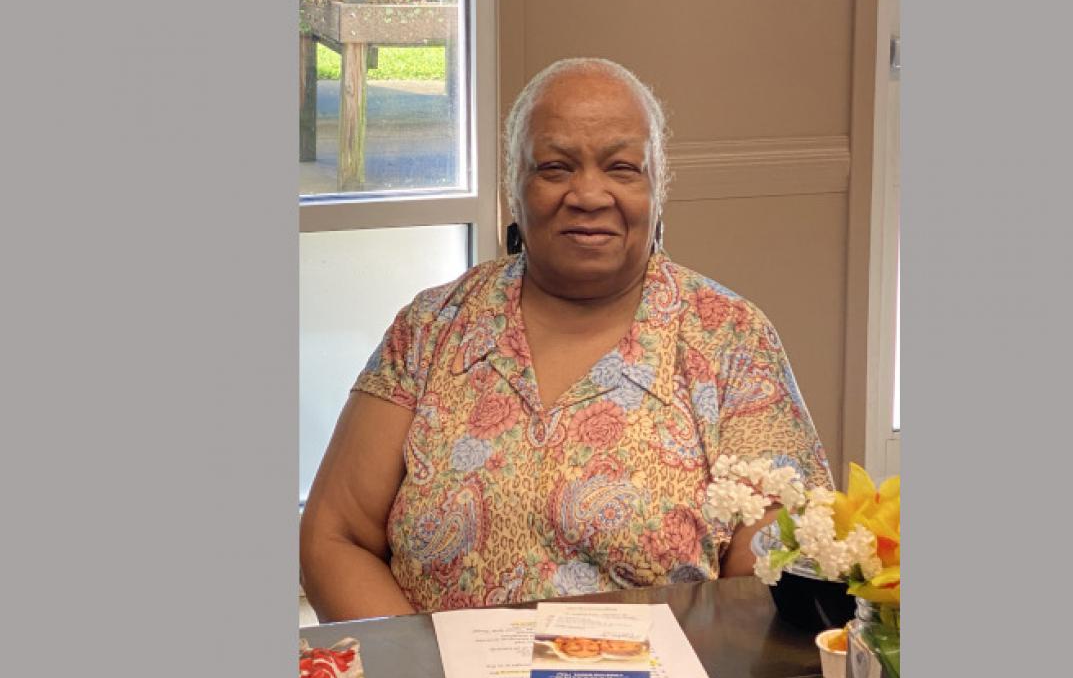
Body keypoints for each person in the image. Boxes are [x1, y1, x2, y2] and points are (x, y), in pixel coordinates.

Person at [300, 57, 832, 621]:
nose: (588, 194)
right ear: (512, 185)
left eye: (622, 168)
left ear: (658, 187)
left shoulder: (732, 338)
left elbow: (779, 567)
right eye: (554, 167)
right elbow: (335, 537)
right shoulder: (430, 328)